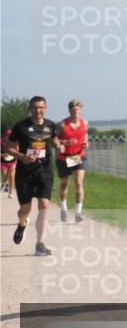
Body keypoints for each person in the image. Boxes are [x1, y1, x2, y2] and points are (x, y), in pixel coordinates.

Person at [6, 97, 60, 256]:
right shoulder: (21, 126)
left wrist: (59, 145)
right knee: (25, 209)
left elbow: (55, 139)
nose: (38, 111)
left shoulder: (51, 125)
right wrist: (22, 157)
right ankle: (22, 224)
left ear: (46, 108)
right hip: (25, 172)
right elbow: (9, 148)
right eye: (35, 108)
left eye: (41, 108)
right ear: (30, 109)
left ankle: (40, 244)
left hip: (44, 170)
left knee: (44, 205)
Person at [56, 99, 88, 222]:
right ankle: (63, 208)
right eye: (73, 109)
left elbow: (85, 136)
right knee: (64, 184)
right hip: (64, 158)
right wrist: (64, 143)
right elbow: (55, 140)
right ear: (69, 110)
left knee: (79, 183)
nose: (76, 112)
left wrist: (86, 143)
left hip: (78, 156)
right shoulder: (62, 125)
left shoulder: (84, 123)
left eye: (78, 110)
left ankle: (78, 213)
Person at [1, 129, 16, 198]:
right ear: (4, 135)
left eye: (10, 135)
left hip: (13, 161)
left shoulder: (15, 142)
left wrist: (15, 154)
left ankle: (11, 192)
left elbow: (18, 150)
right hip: (3, 161)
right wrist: (2, 155)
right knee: (4, 175)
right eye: (7, 135)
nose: (8, 136)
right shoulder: (1, 141)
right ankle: (4, 184)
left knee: (12, 176)